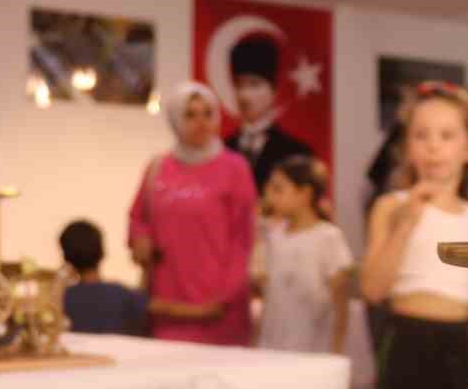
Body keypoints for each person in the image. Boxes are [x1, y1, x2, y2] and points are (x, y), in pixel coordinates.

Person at [361, 87, 468, 389]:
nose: (433, 147)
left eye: (446, 135)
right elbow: (372, 289)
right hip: (409, 342)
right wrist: (405, 224)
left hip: (458, 348)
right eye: (421, 135)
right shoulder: (390, 206)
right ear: (408, 147)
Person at [129, 81, 256, 345]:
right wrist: (140, 237)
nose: (201, 122)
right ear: (175, 120)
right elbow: (138, 217)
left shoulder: (235, 168)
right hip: (168, 304)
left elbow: (243, 239)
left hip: (219, 310)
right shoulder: (158, 167)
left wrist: (223, 297)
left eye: (208, 113)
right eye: (190, 115)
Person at [259, 155, 353, 354]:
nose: (271, 197)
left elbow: (341, 303)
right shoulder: (274, 237)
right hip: (273, 347)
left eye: (279, 189)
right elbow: (270, 298)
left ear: (305, 194)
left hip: (313, 349)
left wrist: (337, 349)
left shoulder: (328, 237)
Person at [224, 35, 313, 193]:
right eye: (239, 85)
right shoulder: (222, 150)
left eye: (254, 84)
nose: (244, 95)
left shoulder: (297, 154)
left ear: (274, 91)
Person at [59, 219, 149, 336]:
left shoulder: (64, 299)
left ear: (66, 258)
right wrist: (146, 266)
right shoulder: (121, 294)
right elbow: (153, 306)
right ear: (102, 252)